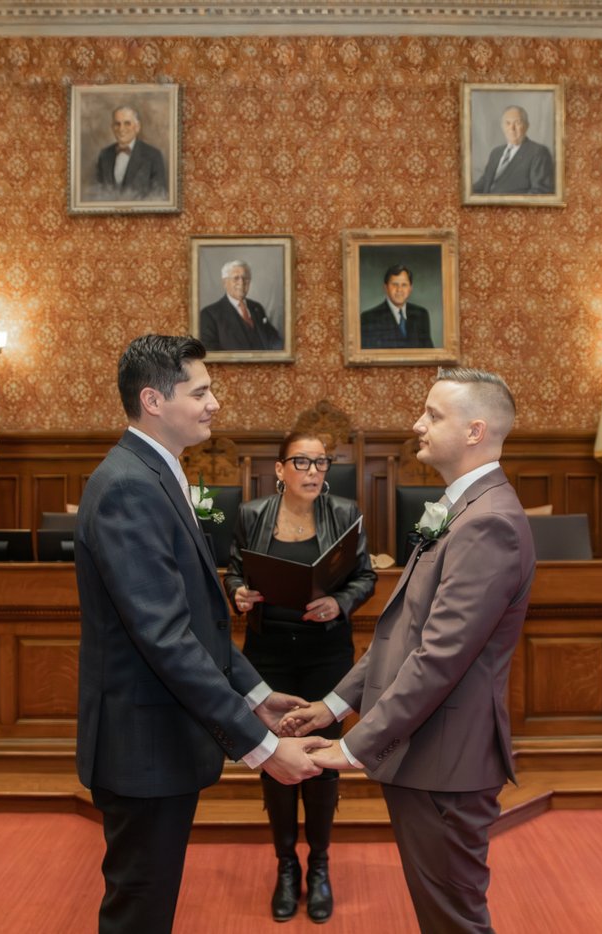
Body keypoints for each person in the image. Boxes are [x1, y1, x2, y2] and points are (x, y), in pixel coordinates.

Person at [74, 334, 328, 933]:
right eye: (201, 390)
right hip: (143, 745)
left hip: (163, 738)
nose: (215, 402)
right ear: (153, 401)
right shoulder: (129, 486)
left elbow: (198, 616)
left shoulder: (158, 473)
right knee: (139, 912)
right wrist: (263, 750)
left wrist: (256, 693)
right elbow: (166, 639)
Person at [282, 367, 535, 934]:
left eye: (433, 415)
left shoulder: (489, 522)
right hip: (428, 754)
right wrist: (333, 706)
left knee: (453, 921)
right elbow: (402, 633)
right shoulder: (460, 509)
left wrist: (353, 749)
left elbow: (439, 658)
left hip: (448, 760)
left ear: (475, 431)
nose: (417, 424)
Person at [225, 432, 377, 923]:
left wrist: (341, 602)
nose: (314, 471)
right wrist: (240, 595)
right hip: (267, 658)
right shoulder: (251, 516)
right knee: (276, 762)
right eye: (303, 462)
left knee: (321, 762)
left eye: (321, 463)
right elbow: (234, 574)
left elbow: (365, 577)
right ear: (279, 469)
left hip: (325, 655)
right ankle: (286, 866)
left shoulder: (345, 511)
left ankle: (321, 866)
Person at [198, 260, 283, 351]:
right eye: (236, 278)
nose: (241, 282)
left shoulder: (257, 308)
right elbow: (210, 352)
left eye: (245, 278)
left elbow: (274, 339)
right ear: (225, 283)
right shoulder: (209, 314)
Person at [472, 105, 554, 195]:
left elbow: (540, 191)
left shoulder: (538, 152)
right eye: (507, 123)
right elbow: (485, 182)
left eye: (517, 123)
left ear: (526, 126)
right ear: (502, 127)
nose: (512, 128)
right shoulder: (496, 153)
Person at [94, 105, 167, 200]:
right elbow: (97, 194)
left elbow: (159, 196)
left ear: (137, 127)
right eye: (117, 124)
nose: (121, 129)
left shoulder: (153, 156)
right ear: (112, 127)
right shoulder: (104, 155)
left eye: (127, 123)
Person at [359, 265, 434, 349]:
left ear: (410, 288)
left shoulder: (421, 314)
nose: (399, 289)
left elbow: (429, 354)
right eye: (394, 284)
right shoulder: (369, 318)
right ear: (386, 288)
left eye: (404, 285)